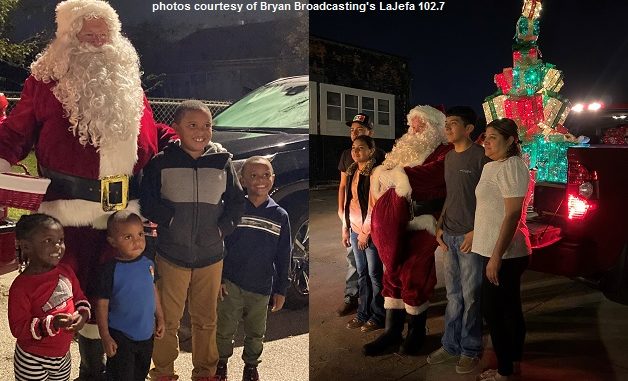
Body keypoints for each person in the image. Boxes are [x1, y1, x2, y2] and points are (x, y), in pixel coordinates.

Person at [0, 1, 175, 378]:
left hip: (122, 216)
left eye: (103, 35)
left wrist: (181, 140)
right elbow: (14, 134)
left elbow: (151, 135)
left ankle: (112, 369)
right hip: (67, 217)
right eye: (87, 35)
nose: (97, 43)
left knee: (114, 294)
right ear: (67, 38)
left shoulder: (129, 83)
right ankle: (73, 368)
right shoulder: (44, 83)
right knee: (65, 297)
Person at [140, 100, 246, 381]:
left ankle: (205, 373)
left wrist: (222, 230)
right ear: (176, 128)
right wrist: (171, 220)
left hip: (211, 257)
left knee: (205, 321)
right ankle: (163, 372)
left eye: (207, 125)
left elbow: (236, 203)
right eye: (193, 125)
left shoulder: (222, 161)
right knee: (166, 321)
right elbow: (147, 201)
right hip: (171, 255)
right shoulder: (161, 162)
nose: (201, 131)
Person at [364, 105, 453, 356]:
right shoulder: (403, 150)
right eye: (412, 123)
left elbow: (431, 175)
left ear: (434, 127)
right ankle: (392, 331)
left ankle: (416, 330)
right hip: (394, 220)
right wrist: (389, 174)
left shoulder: (444, 151)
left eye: (420, 123)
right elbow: (384, 175)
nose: (414, 128)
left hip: (425, 219)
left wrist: (395, 175)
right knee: (392, 269)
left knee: (415, 270)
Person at [214, 156, 292, 381]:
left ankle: (251, 365)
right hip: (231, 283)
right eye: (254, 176)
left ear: (273, 179)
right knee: (225, 328)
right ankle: (221, 363)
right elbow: (220, 244)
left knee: (256, 332)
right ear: (243, 180)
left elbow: (283, 254)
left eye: (266, 175)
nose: (261, 180)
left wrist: (281, 290)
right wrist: (218, 277)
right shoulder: (234, 210)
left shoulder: (280, 216)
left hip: (261, 286)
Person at [427, 106, 490, 374]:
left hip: (470, 237)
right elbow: (450, 196)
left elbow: (490, 200)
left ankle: (470, 349)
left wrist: (477, 230)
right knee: (453, 296)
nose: (448, 128)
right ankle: (450, 345)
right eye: (446, 124)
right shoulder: (449, 158)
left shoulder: (482, 158)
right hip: (449, 235)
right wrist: (440, 225)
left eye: (453, 123)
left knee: (472, 296)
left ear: (469, 129)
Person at [473, 118, 531, 381]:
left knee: (494, 312)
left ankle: (505, 370)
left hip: (507, 253)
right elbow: (489, 208)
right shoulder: (491, 167)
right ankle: (514, 359)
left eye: (493, 137)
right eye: (485, 136)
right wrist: (474, 233)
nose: (486, 141)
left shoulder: (512, 167)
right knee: (508, 308)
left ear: (510, 141)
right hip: (491, 248)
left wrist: (496, 257)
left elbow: (512, 215)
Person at [8, 214, 91, 381]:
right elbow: (18, 328)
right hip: (33, 359)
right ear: (26, 246)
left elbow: (80, 298)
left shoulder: (66, 271)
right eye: (48, 241)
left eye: (60, 240)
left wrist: (82, 315)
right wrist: (53, 323)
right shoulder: (21, 287)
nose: (58, 246)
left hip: (63, 357)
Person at [93, 211, 165, 381]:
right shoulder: (109, 269)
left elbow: (153, 290)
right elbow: (101, 305)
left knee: (140, 374)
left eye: (140, 234)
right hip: (121, 336)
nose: (137, 241)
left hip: (146, 334)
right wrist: (105, 336)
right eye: (128, 237)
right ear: (112, 241)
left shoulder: (149, 263)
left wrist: (160, 317)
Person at [336, 113, 386, 317]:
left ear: (370, 136)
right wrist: (343, 219)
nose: (354, 134)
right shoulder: (350, 164)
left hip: (370, 227)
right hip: (353, 224)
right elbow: (344, 189)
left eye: (360, 130)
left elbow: (376, 203)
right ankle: (356, 302)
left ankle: (379, 311)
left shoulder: (378, 164)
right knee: (357, 266)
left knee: (374, 271)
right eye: (352, 131)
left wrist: (367, 230)